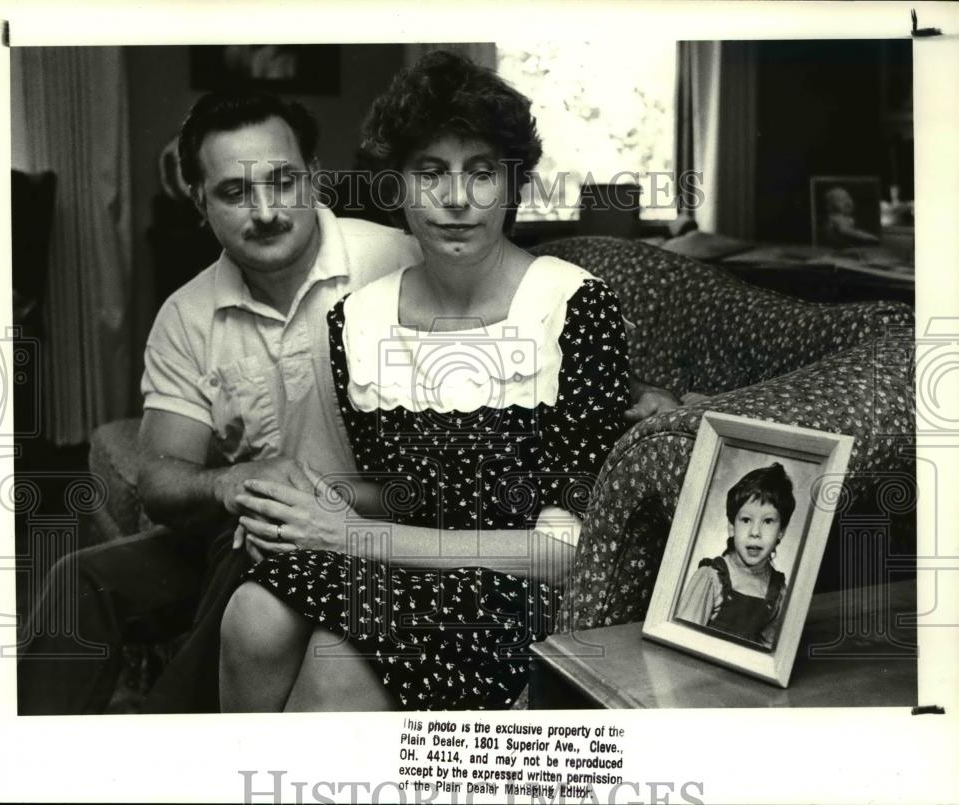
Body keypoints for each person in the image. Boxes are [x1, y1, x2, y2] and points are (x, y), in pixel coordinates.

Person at [217, 51, 669, 712]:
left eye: (481, 172)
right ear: (396, 186)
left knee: (335, 664)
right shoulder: (358, 321)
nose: (457, 198)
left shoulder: (574, 307)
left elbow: (575, 552)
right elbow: (409, 492)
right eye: (430, 172)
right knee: (251, 614)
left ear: (513, 185)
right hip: (399, 560)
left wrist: (353, 537)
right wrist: (295, 504)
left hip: (515, 585)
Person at [16, 90, 421, 714]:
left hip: (376, 525)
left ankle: (169, 742)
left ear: (314, 177)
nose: (265, 212)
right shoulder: (186, 315)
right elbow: (158, 476)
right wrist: (231, 482)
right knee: (78, 580)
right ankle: (25, 766)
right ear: (199, 203)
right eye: (234, 192)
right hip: (243, 530)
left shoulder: (397, 260)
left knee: (256, 561)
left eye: (284, 182)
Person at [675, 462, 794, 649]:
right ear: (731, 527)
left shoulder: (778, 593)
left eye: (768, 521)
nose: (755, 532)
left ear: (781, 532)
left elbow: (772, 654)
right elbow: (681, 642)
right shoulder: (710, 578)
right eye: (746, 520)